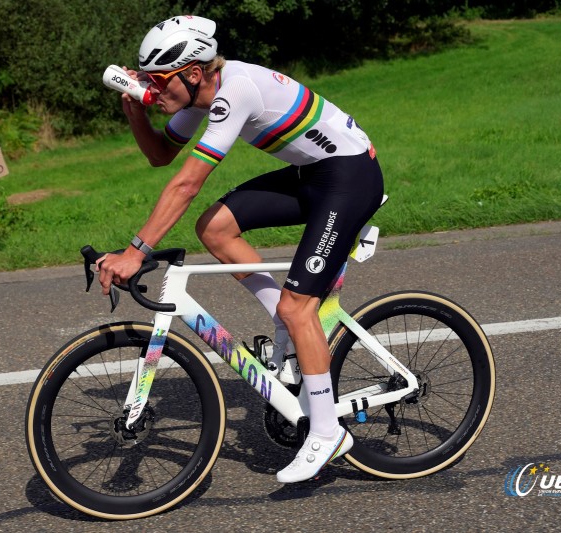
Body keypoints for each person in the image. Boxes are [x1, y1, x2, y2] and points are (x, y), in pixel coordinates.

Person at [96, 15, 384, 483]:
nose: (151, 87)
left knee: (300, 307)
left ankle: (328, 431)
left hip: (350, 176)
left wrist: (135, 250)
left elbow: (187, 182)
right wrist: (136, 112)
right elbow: (159, 155)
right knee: (214, 227)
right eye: (145, 79)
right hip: (315, 174)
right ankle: (284, 317)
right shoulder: (199, 93)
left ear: (192, 73)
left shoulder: (236, 89)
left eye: (157, 80)